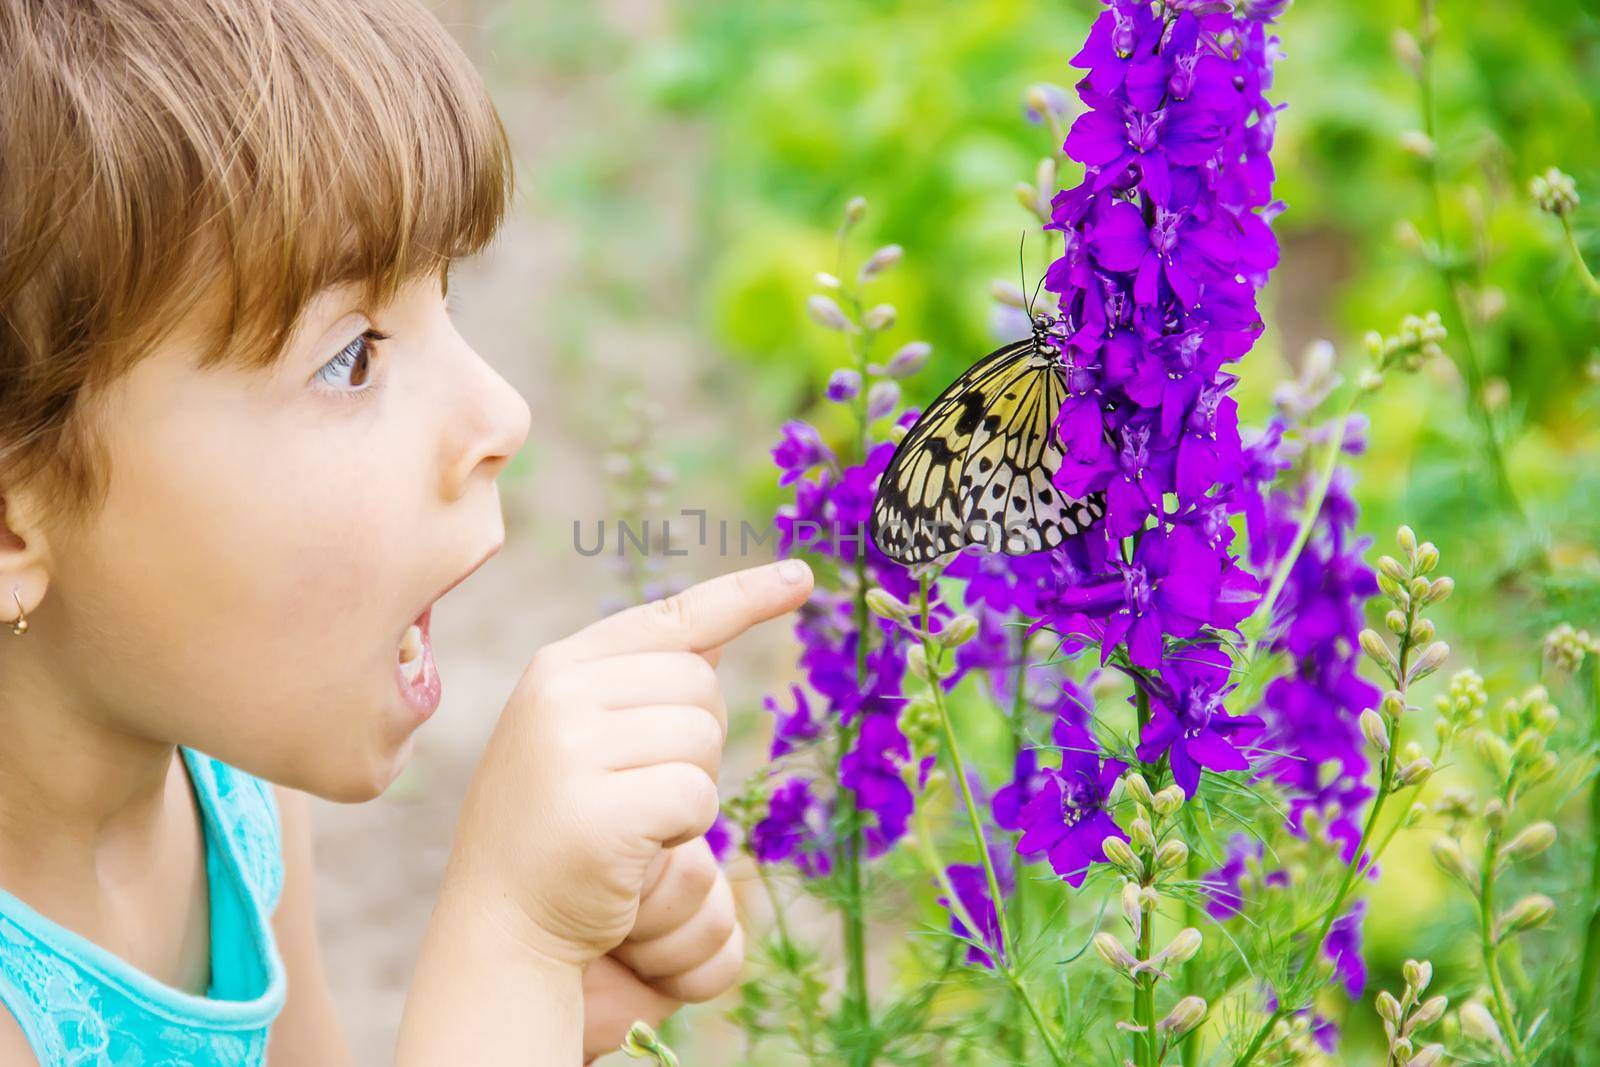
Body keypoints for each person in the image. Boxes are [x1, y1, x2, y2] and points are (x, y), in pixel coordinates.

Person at [0, 2, 813, 1062]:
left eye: (448, 296)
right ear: (16, 526)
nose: (503, 414)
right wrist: (505, 940)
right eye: (353, 356)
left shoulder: (230, 796)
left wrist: (553, 1008)